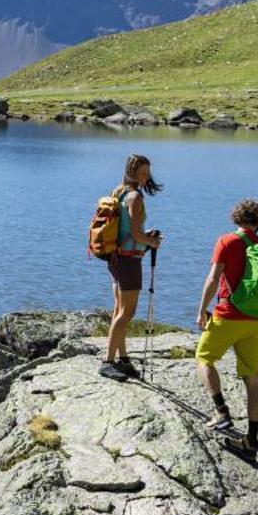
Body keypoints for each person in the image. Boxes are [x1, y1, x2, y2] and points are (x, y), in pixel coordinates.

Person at [194, 197, 258, 457]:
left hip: (227, 315)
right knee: (252, 380)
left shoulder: (226, 241)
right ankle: (252, 441)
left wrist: (201, 309)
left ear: (236, 219)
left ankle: (221, 412)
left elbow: (214, 278)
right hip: (255, 321)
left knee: (204, 358)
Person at [100, 154, 162, 380]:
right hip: (128, 262)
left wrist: (145, 239)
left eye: (148, 173)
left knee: (119, 310)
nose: (146, 177)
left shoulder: (119, 191)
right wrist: (152, 242)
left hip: (115, 258)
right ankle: (107, 362)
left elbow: (128, 231)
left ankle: (123, 359)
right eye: (142, 173)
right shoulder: (134, 196)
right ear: (132, 172)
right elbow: (135, 234)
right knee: (127, 312)